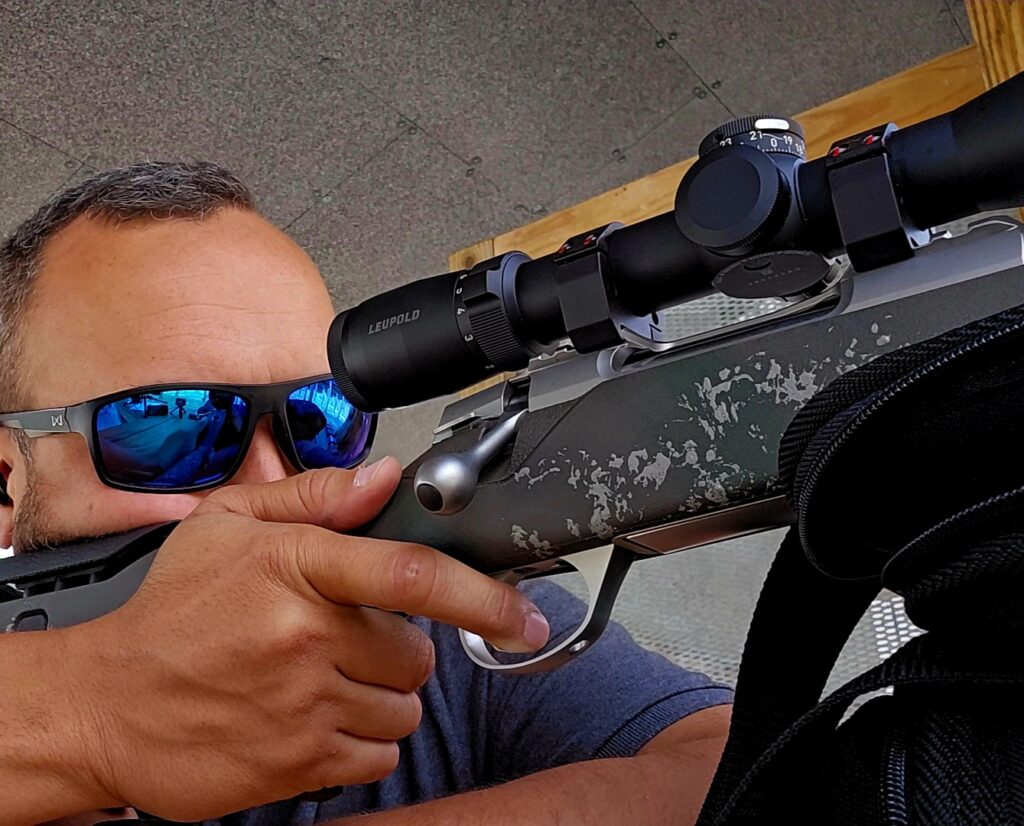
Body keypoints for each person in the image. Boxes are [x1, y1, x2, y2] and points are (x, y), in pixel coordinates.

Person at [0, 163, 733, 826]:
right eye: (172, 428)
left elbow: (734, 766)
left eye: (321, 418)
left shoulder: (436, 617)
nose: (280, 482)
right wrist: (84, 715)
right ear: (7, 482)